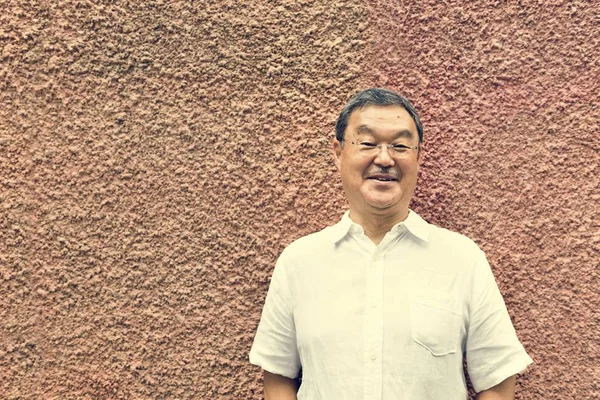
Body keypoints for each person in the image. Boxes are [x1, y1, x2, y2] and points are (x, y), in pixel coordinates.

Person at [249, 88, 532, 399]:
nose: (384, 159)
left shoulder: (462, 260)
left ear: (418, 157)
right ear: (338, 152)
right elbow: (277, 376)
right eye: (367, 143)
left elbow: (498, 381)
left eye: (399, 145)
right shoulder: (299, 262)